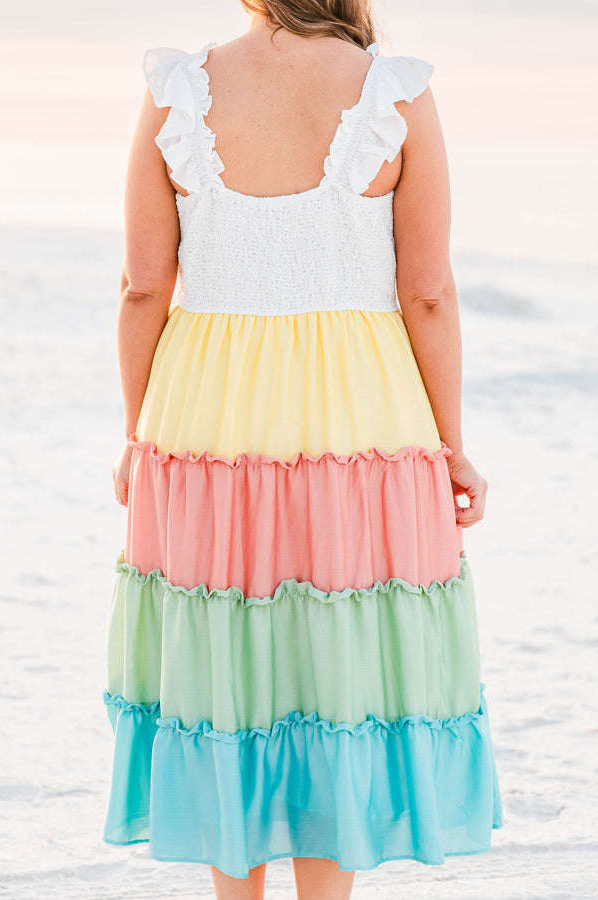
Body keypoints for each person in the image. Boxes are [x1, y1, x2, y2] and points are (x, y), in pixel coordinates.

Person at [105, 1, 503, 898]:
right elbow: (428, 291)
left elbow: (142, 288)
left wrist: (137, 433)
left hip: (207, 419)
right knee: (337, 662)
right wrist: (453, 446)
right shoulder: (394, 91)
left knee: (226, 661)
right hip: (359, 417)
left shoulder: (178, 88)